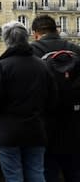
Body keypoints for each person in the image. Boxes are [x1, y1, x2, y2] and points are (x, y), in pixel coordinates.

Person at [0, 21, 54, 182]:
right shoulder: (42, 65)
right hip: (35, 130)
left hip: (8, 134)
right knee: (37, 173)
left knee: (14, 176)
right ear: (27, 38)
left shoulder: (1, 67)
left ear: (6, 40)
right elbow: (52, 99)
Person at [31, 15, 80, 182]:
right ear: (56, 30)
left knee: (47, 172)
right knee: (74, 171)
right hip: (74, 123)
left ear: (36, 33)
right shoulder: (75, 49)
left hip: (45, 125)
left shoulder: (33, 52)